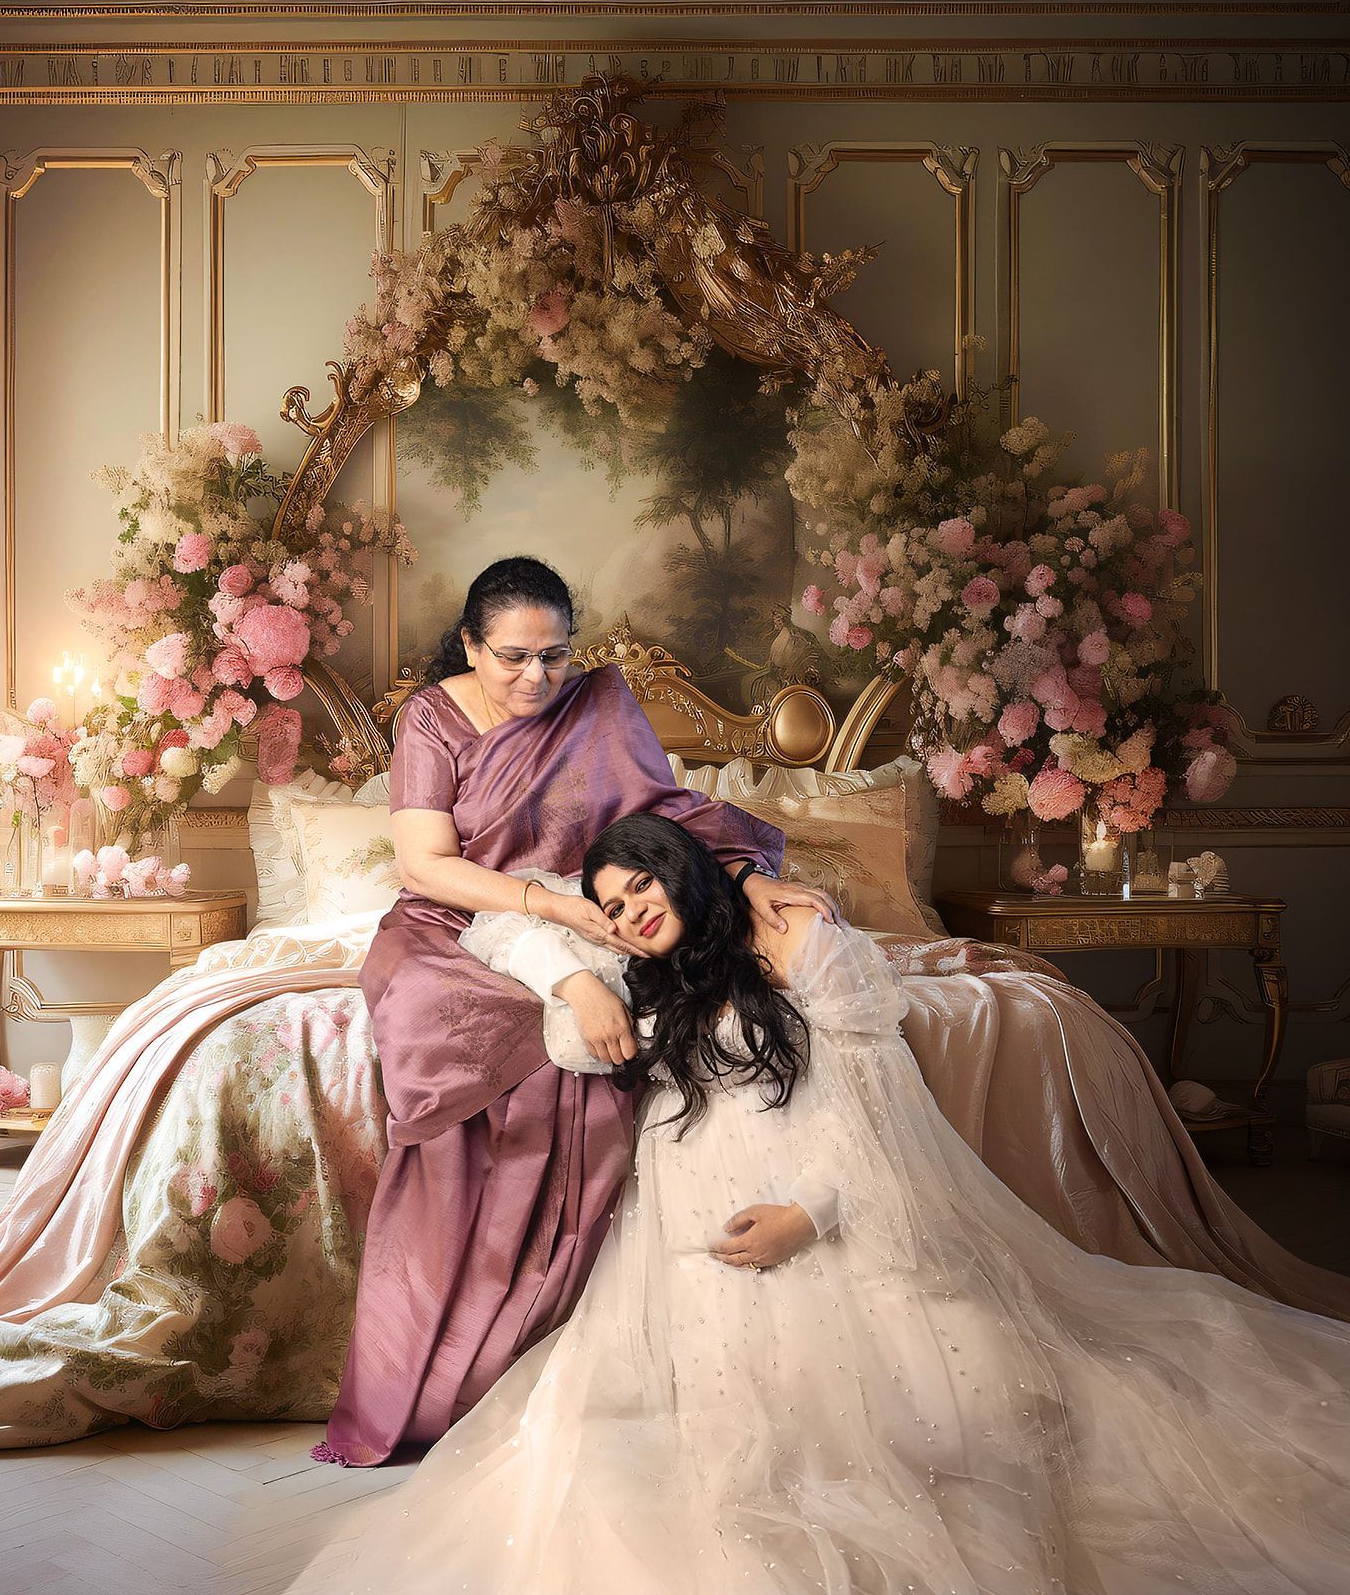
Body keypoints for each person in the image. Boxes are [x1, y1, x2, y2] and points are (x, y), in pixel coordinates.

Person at [334, 812, 1350, 1594]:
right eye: (615, 899)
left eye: (645, 880)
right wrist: (574, 976)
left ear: (684, 867)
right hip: (687, 1242)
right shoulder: (642, 973)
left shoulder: (797, 938)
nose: (634, 907)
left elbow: (876, 1115)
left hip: (825, 1209)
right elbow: (484, 925)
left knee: (951, 1423)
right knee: (662, 1452)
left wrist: (807, 1216)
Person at [312, 558, 837, 1467]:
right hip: (457, 921)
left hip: (592, 912)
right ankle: (438, 1363)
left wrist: (748, 882)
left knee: (620, 1039)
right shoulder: (430, 718)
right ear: (471, 646)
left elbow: (662, 814)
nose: (536, 679)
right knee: (469, 1030)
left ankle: (556, 1345)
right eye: (512, 657)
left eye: (554, 657)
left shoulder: (599, 703)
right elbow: (426, 866)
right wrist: (551, 914)